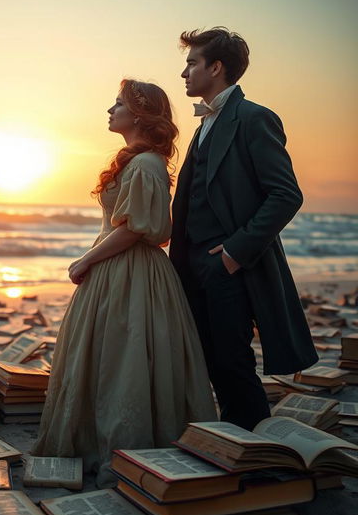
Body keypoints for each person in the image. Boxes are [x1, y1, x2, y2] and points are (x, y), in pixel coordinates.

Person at [33, 79, 216, 487]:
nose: (109, 110)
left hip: (131, 270)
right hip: (119, 267)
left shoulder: (147, 164)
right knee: (111, 356)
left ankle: (125, 446)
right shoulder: (137, 161)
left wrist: (85, 259)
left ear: (139, 114)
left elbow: (136, 228)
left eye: (117, 104)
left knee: (123, 358)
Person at [169, 27, 318, 431]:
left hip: (229, 263)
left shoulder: (254, 119)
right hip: (194, 262)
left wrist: (234, 253)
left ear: (215, 67)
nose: (184, 72)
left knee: (233, 362)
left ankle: (254, 451)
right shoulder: (205, 126)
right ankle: (234, 440)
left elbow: (286, 195)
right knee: (211, 358)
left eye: (191, 63)